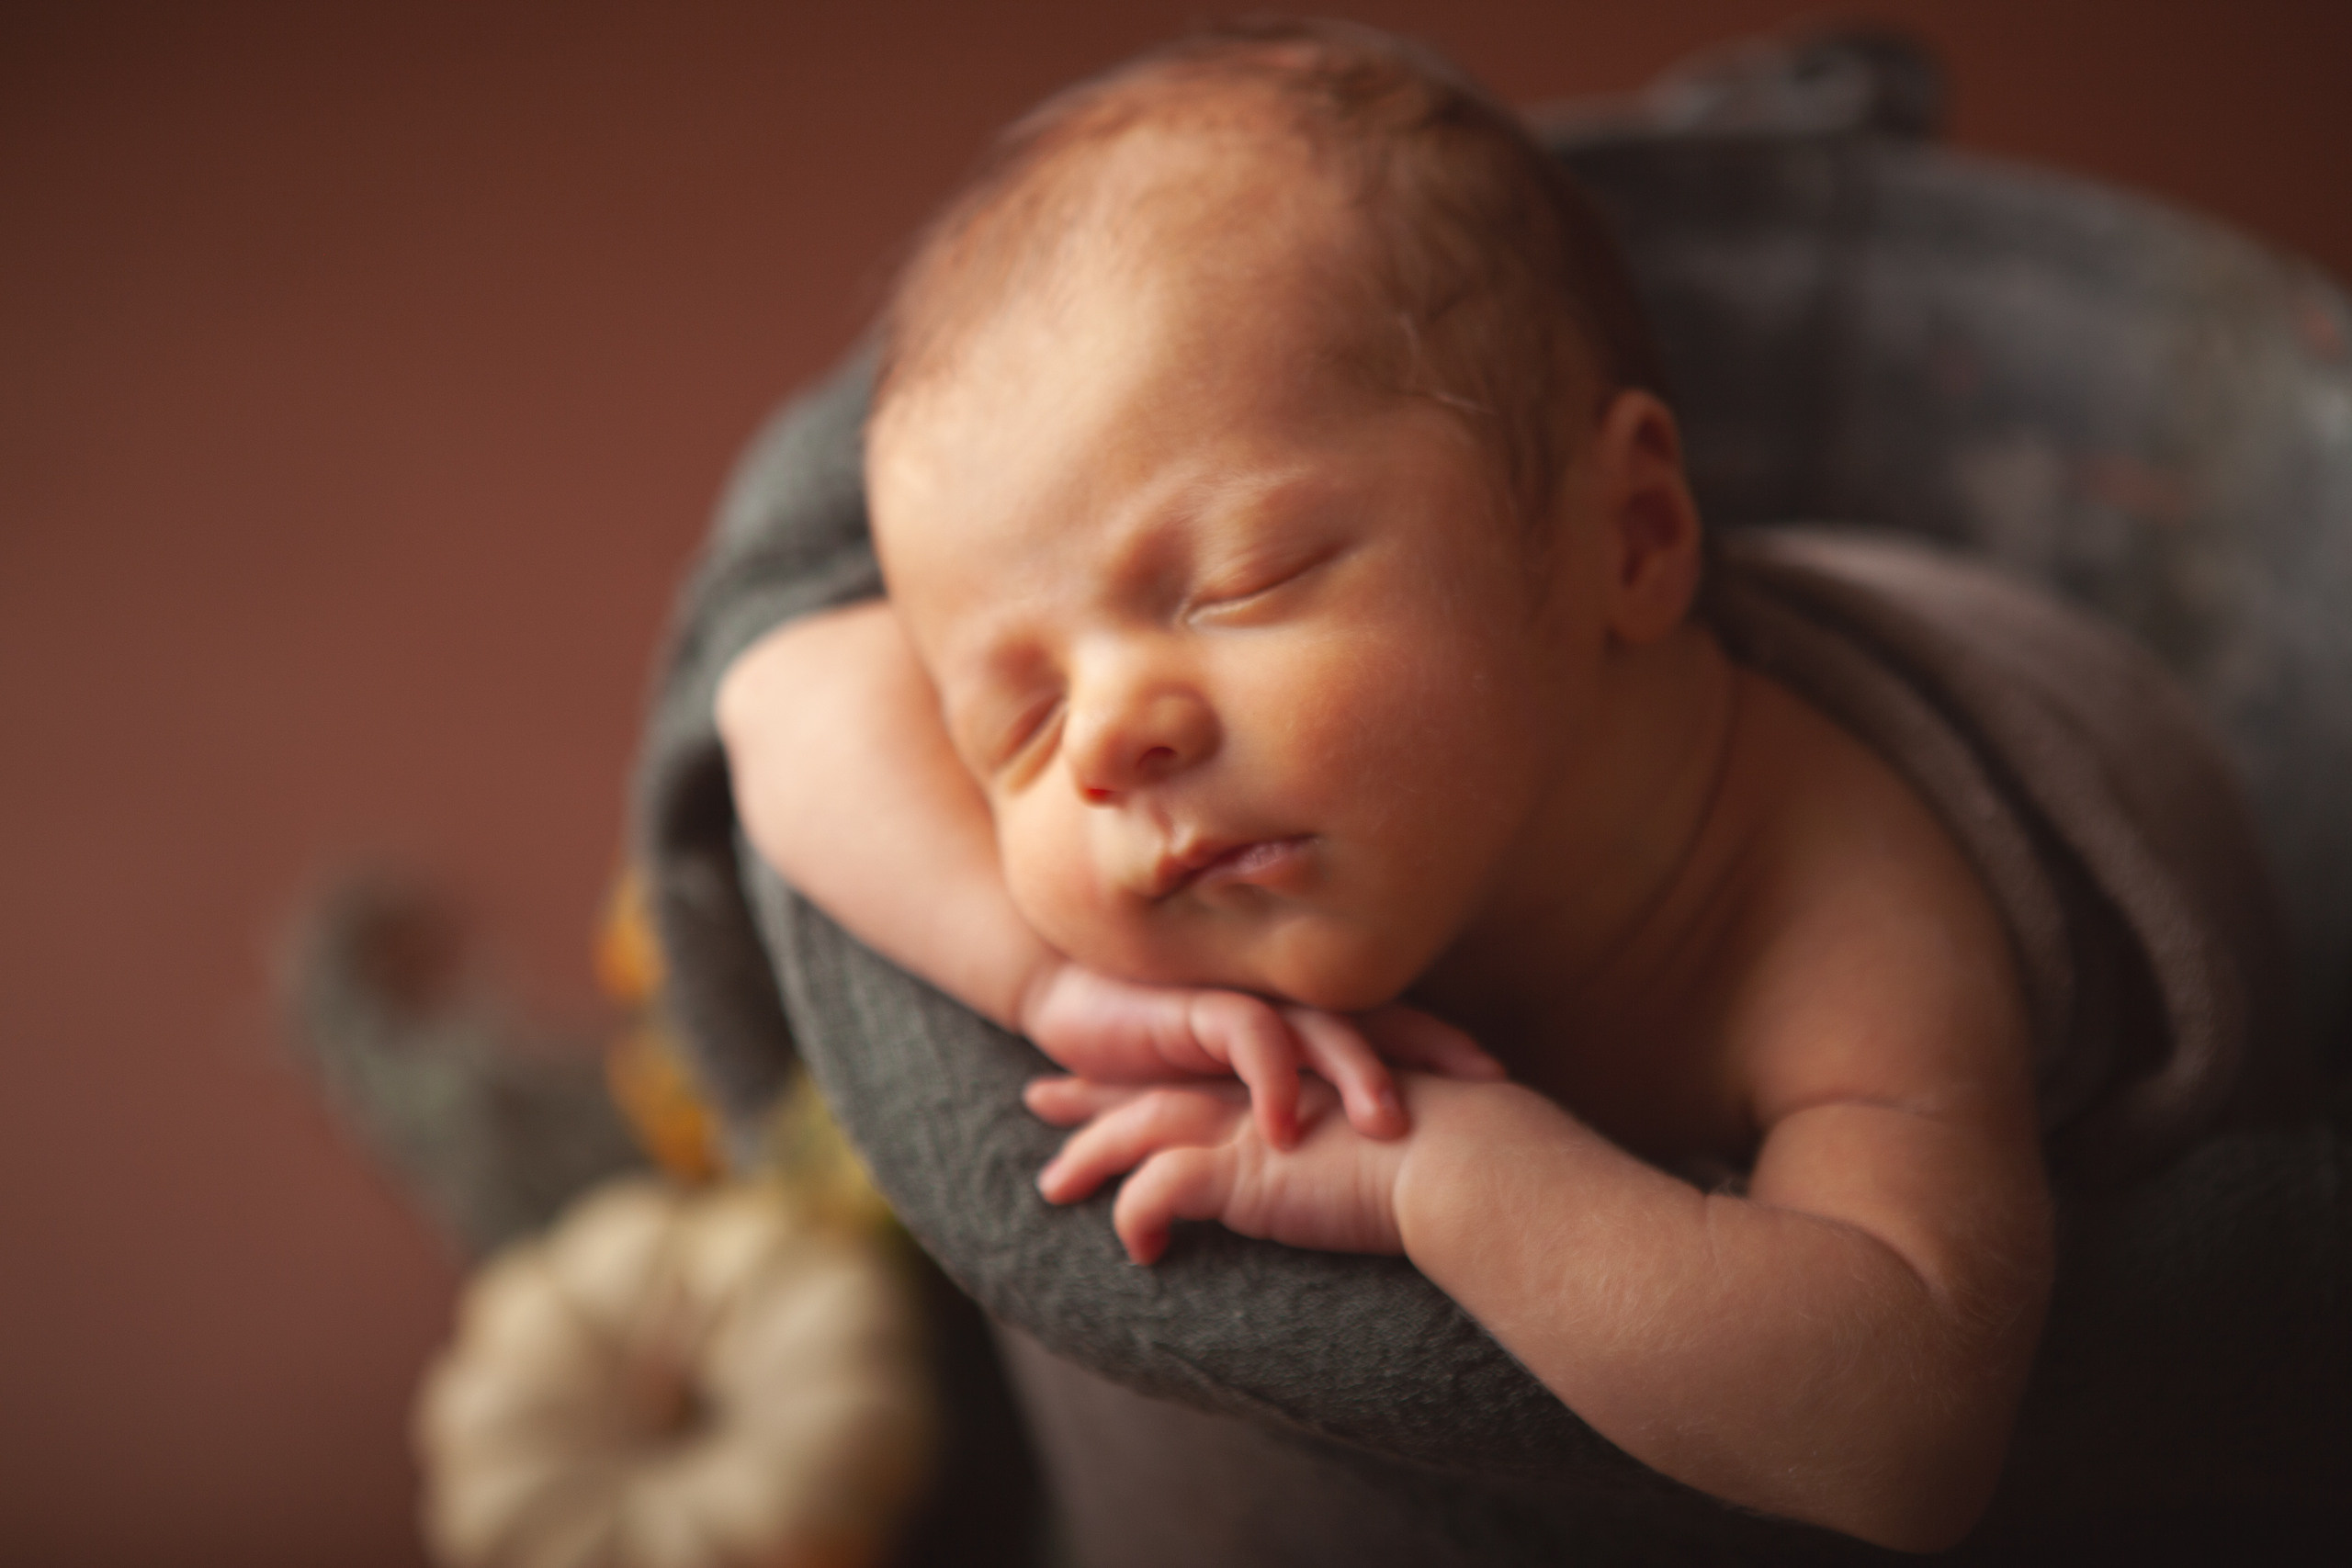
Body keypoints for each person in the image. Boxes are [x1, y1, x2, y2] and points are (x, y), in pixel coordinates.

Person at [716, 21, 2052, 1553]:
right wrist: (1046, 987)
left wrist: (1445, 1176)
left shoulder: (1823, 900)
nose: (1099, 747)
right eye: (1011, 723)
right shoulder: (1211, 817)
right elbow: (775, 699)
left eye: (1235, 584)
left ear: (1629, 536)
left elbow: (1908, 1430)